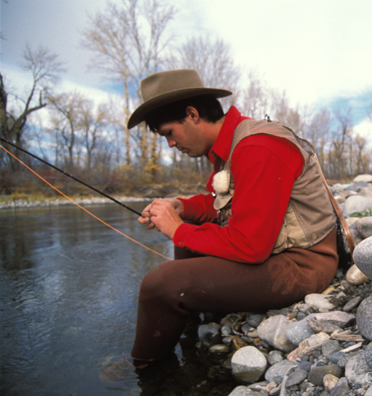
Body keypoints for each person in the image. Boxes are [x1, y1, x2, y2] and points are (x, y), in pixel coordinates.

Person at [123, 69, 339, 365]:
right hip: (279, 254)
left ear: (192, 114)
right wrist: (182, 208)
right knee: (190, 236)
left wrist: (178, 230)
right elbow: (227, 207)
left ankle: (145, 371)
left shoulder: (256, 146)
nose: (170, 145)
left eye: (169, 133)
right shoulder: (230, 146)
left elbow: (250, 245)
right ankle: (186, 318)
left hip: (305, 262)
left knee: (158, 284)